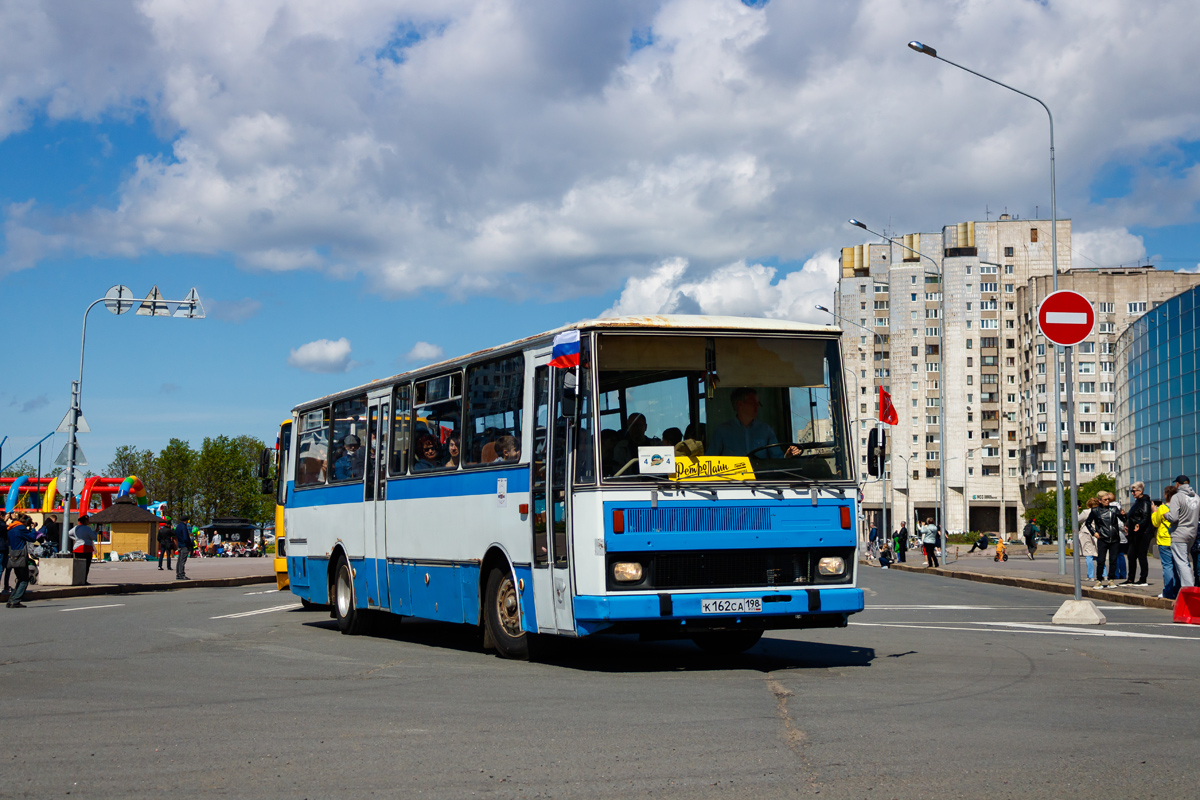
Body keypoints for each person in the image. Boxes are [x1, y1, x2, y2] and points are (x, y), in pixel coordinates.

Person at [707, 388, 801, 458]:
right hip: (732, 483)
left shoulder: (765, 430)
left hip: (762, 481)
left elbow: (777, 460)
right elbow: (710, 461)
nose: (757, 407)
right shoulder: (722, 431)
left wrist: (788, 455)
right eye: (753, 403)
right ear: (740, 404)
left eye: (758, 403)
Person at [1165, 475, 1199, 591]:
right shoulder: (1197, 497)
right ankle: (1188, 588)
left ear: (1178, 484)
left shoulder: (1177, 497)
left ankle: (1188, 590)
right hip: (1192, 533)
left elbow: (1173, 518)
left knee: (1182, 563)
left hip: (1179, 533)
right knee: (1185, 561)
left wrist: (1165, 514)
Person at [1086, 492, 1122, 588]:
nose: (1107, 501)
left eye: (1108, 499)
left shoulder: (1114, 509)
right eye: (1105, 499)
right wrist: (1094, 533)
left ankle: (1111, 580)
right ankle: (1099, 580)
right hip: (1103, 538)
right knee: (1101, 560)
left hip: (1114, 538)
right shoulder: (1095, 511)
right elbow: (1088, 523)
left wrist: (1124, 515)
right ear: (1100, 501)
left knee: (1113, 560)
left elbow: (1123, 519)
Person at [1122, 482, 1154, 587]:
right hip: (1134, 533)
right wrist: (1127, 524)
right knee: (1131, 555)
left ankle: (1143, 578)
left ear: (1140, 491)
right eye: (1131, 491)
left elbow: (1145, 517)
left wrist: (1139, 525)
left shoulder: (1145, 502)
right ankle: (1130, 578)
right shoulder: (1137, 502)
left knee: (1141, 555)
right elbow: (1133, 517)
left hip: (1143, 533)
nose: (1132, 493)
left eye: (1134, 491)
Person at [6, 513, 39, 608]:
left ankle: (11, 600)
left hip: (12, 554)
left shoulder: (12, 528)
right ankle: (15, 601)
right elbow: (32, 538)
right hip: (20, 556)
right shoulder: (21, 528)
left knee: (20, 578)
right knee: (24, 579)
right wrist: (33, 528)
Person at [1153, 487, 1179, 600]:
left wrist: (1154, 511)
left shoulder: (1163, 508)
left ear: (1165, 495)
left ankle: (1168, 592)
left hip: (1164, 540)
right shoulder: (1178, 507)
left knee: (1167, 567)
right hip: (1177, 539)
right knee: (1177, 567)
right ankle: (1178, 590)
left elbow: (1155, 522)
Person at [69, 514, 97, 585]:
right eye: (88, 520)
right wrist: (96, 532)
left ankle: (77, 580)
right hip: (86, 548)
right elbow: (93, 537)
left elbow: (68, 533)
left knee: (78, 566)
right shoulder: (87, 528)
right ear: (85, 521)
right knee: (86, 566)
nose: (88, 521)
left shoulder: (76, 528)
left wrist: (75, 539)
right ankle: (84, 580)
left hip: (77, 548)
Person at [1077, 498, 1100, 581]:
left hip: (1087, 533)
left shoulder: (1086, 512)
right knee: (1098, 554)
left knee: (1088, 554)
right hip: (1097, 533)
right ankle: (1103, 574)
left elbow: (1077, 520)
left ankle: (1091, 576)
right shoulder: (1100, 511)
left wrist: (1076, 510)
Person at [174, 516, 193, 580]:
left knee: (179, 560)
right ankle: (182, 574)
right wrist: (189, 544)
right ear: (186, 520)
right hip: (184, 545)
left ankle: (178, 574)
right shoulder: (184, 527)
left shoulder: (178, 526)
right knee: (182, 560)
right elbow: (185, 537)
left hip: (180, 545)